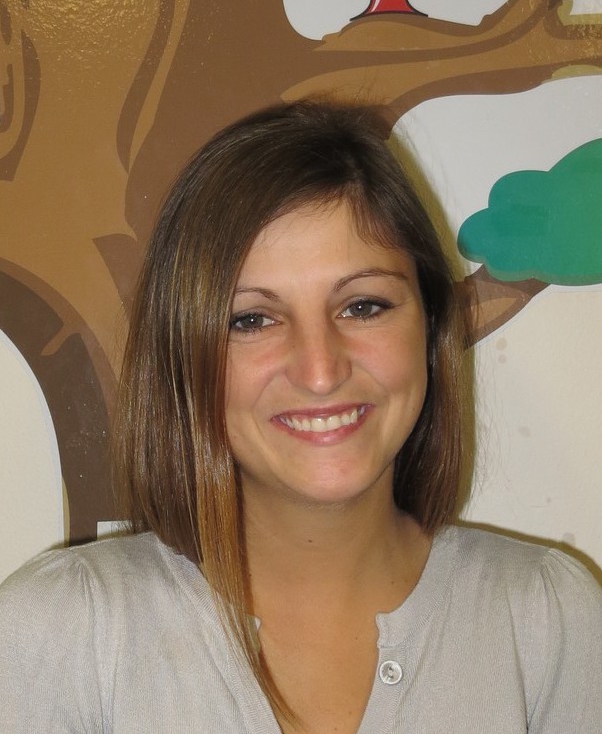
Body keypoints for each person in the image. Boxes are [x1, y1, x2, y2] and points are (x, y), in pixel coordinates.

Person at [0, 100, 600, 733]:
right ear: (184, 357)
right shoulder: (64, 633)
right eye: (252, 320)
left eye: (363, 306)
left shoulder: (547, 621)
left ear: (428, 327)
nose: (320, 370)